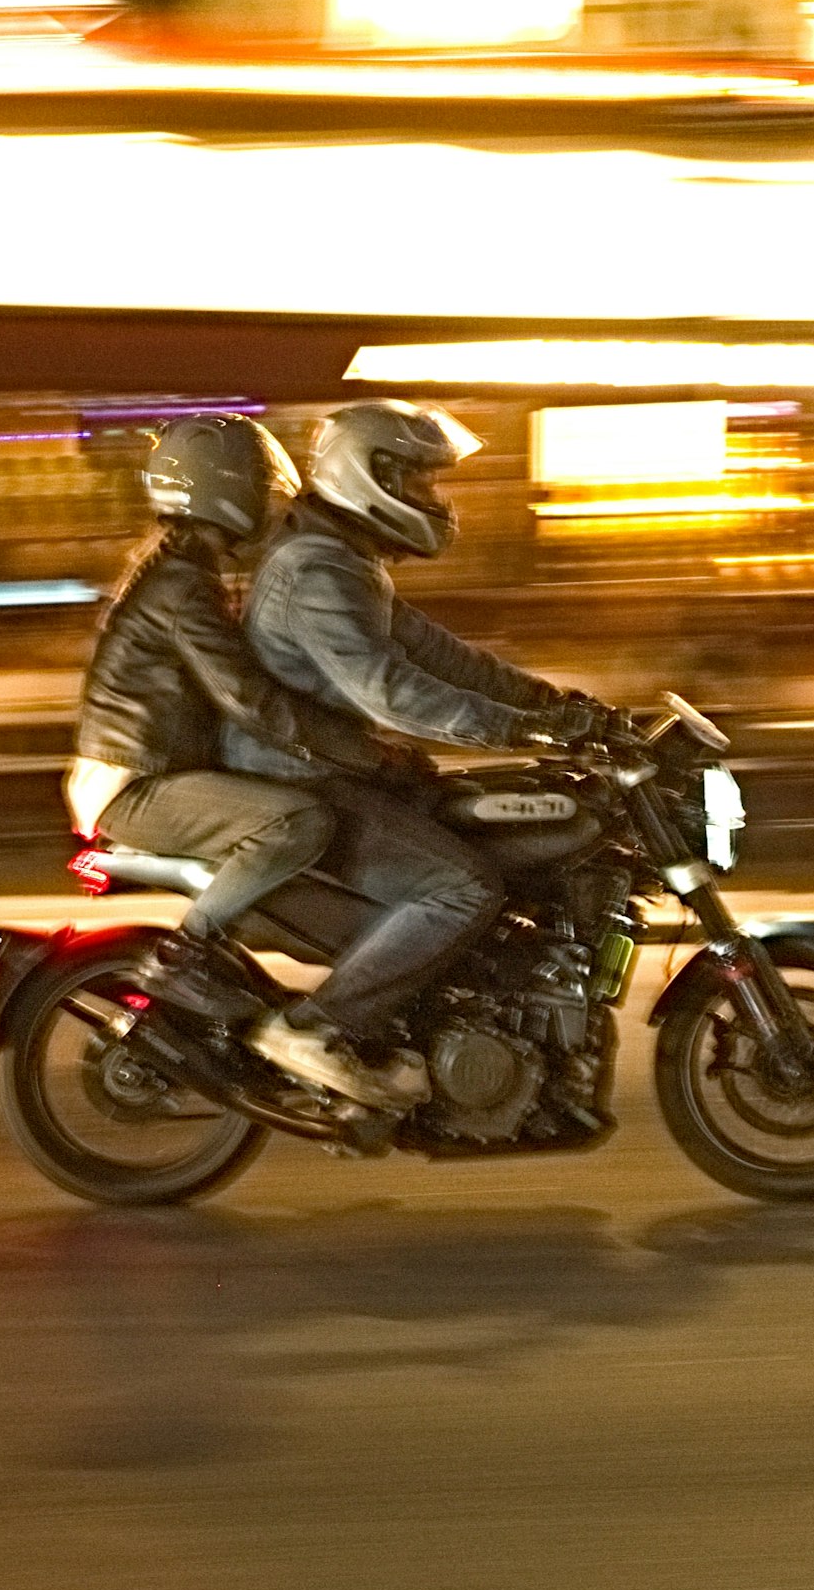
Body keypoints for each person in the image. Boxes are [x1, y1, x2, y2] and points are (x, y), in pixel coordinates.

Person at [236, 398, 619, 1098]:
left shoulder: (342, 561)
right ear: (367, 475)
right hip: (304, 781)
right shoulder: (316, 570)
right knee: (462, 886)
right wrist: (517, 729)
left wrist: (552, 704)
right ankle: (317, 1027)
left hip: (334, 770)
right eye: (417, 482)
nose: (431, 499)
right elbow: (390, 691)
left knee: (479, 822)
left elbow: (440, 656)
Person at [67, 415, 391, 1077]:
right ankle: (184, 955)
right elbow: (248, 699)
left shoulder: (182, 572)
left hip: (142, 774)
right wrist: (355, 750)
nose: (274, 506)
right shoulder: (185, 586)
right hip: (137, 785)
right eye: (264, 490)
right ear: (231, 489)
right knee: (297, 821)